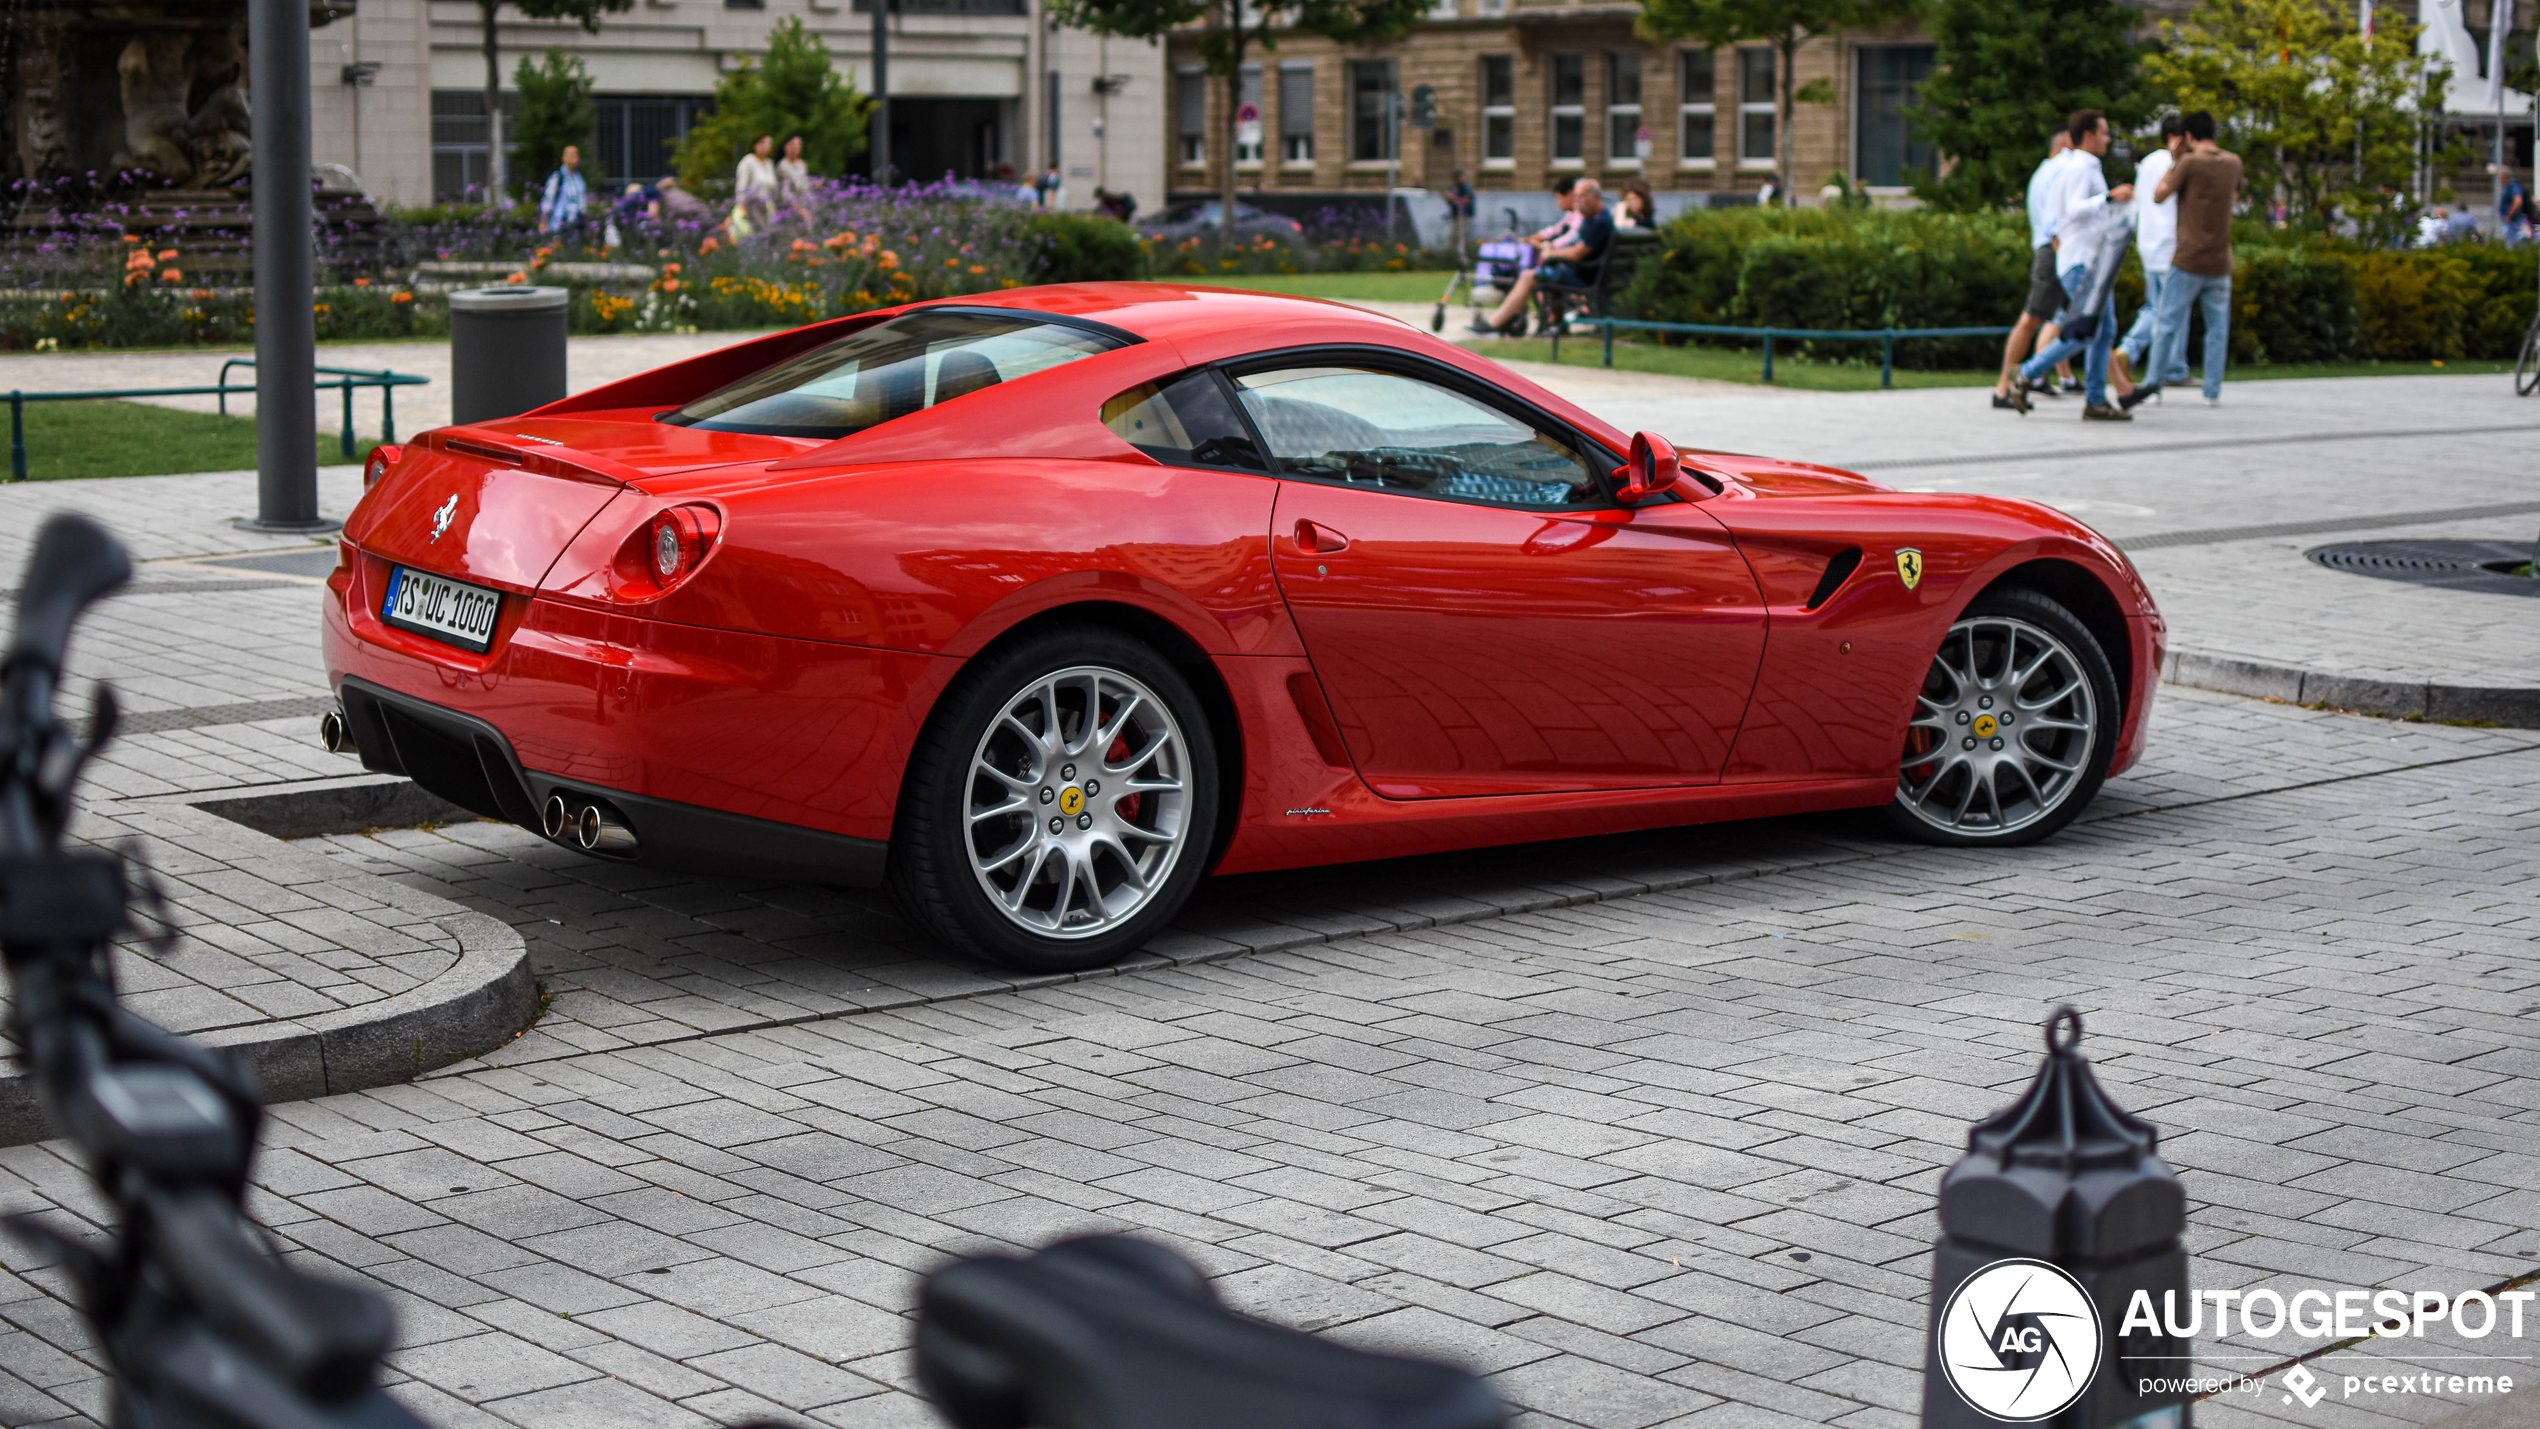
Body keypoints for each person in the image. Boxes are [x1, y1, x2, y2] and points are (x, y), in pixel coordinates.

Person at [2013, 110, 2137, 421]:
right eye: (2104, 133)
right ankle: (2029, 373)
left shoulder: (2079, 167)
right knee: (2086, 331)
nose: (2108, 139)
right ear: (2089, 135)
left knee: (2100, 330)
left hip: (2084, 261)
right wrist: (2110, 196)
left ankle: (2094, 400)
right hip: (2081, 263)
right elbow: (2073, 210)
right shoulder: (2081, 168)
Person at [2151, 110, 2244, 408]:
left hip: (2188, 258)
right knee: (2217, 329)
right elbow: (2236, 196)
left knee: (2166, 324)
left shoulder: (2189, 162)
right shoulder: (2233, 163)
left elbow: (2159, 195)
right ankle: (2212, 392)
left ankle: (2153, 386)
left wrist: (2175, 160)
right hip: (2220, 260)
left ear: (2188, 136)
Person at [1994, 130, 2075, 412]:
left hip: (2049, 248)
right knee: (2032, 318)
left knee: (2060, 318)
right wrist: (2059, 245)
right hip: (2054, 250)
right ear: (2067, 146)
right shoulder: (2062, 168)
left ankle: (2035, 377)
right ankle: (2007, 386)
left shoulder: (2042, 172)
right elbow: (2054, 216)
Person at [2114, 114, 2188, 404]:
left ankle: (2174, 366)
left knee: (2157, 306)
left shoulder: (2146, 163)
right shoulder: (2174, 163)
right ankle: (2128, 351)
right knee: (2164, 310)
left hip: (2147, 242)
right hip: (2168, 244)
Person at [1472, 179, 1608, 335]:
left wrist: (1550, 252)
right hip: (1583, 273)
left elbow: (1576, 253)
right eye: (1576, 197)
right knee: (1541, 272)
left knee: (1528, 276)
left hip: (1583, 276)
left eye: (1581, 197)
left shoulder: (1599, 222)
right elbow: (1563, 238)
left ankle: (1494, 322)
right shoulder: (1595, 219)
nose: (1577, 202)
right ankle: (1553, 323)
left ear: (1594, 196)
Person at [732, 133, 778, 235]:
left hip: (767, 206)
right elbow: (741, 185)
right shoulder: (748, 162)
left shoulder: (769, 163)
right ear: (756, 145)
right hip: (753, 205)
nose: (767, 147)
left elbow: (773, 185)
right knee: (756, 233)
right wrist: (742, 205)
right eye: (764, 143)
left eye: (769, 144)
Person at [537, 144, 587, 236]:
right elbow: (548, 198)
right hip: (559, 223)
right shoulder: (557, 177)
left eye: (574, 156)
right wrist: (544, 220)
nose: (572, 159)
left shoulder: (579, 180)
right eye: (569, 155)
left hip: (575, 224)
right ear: (564, 158)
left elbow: (582, 201)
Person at [775, 135, 813, 220]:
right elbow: (786, 190)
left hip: (805, 202)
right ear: (786, 147)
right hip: (789, 206)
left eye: (798, 145)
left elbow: (805, 183)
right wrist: (797, 208)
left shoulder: (802, 164)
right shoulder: (782, 166)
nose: (796, 148)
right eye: (793, 145)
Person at [1445, 168, 1476, 253]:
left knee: (1460, 237)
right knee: (1453, 236)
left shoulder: (1464, 187)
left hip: (1462, 215)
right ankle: (1452, 254)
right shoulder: (1454, 187)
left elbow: (1466, 200)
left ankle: (1461, 256)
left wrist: (1453, 198)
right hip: (1456, 214)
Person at [2501, 167, 2531, 244]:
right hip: (2511, 221)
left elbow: (2518, 201)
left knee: (2512, 243)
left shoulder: (2513, 186)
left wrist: (2509, 215)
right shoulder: (2509, 186)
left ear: (2504, 177)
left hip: (2513, 221)